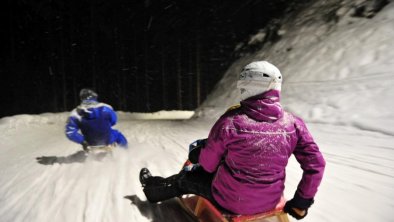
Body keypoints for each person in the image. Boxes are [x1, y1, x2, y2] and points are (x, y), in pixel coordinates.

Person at [139, 61, 325, 220]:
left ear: (247, 86)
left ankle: (151, 188)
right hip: (272, 200)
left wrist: (199, 155)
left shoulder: (231, 122)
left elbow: (208, 166)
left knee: (186, 178)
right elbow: (316, 164)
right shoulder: (293, 123)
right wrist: (302, 201)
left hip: (231, 201)